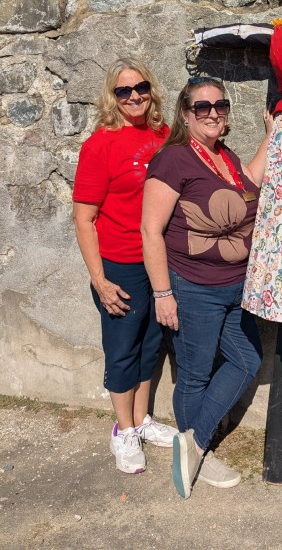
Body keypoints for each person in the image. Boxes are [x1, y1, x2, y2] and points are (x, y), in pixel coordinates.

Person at [141, 77, 271, 500]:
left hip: (236, 286)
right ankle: (198, 449)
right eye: (202, 107)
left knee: (247, 359)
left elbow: (250, 182)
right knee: (195, 374)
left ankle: (192, 444)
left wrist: (271, 138)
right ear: (184, 113)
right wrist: (163, 293)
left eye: (221, 105)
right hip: (194, 286)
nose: (214, 112)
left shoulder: (224, 156)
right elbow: (150, 230)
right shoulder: (174, 160)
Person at [73, 58, 177, 475]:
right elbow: (84, 218)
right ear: (111, 98)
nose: (134, 96)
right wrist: (99, 280)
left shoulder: (165, 135)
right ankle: (123, 430)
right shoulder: (100, 145)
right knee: (122, 351)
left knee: (151, 347)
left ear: (151, 90)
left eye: (141, 88)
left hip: (160, 262)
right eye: (123, 91)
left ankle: (142, 420)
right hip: (122, 264)